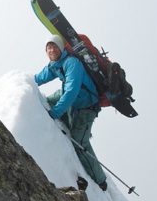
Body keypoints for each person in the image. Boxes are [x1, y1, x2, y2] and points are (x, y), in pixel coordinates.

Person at [34, 35, 108, 191]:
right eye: (48, 47)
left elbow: (71, 91)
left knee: (79, 141)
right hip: (74, 100)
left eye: (54, 46)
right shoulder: (55, 64)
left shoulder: (72, 63)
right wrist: (22, 83)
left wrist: (55, 113)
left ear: (61, 48)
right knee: (49, 100)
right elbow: (39, 78)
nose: (51, 50)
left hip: (87, 105)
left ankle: (100, 180)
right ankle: (64, 120)